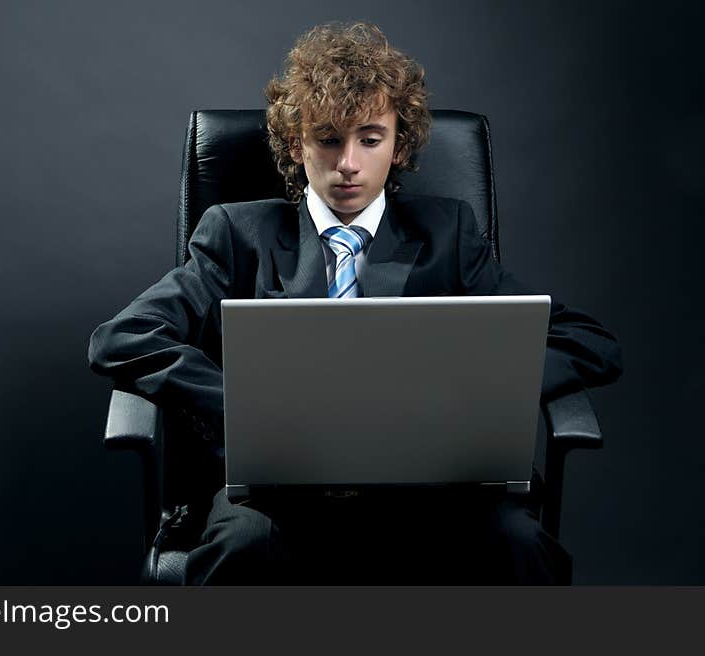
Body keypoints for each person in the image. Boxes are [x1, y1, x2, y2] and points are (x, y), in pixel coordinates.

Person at [88, 22, 622, 585]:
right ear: (297, 144)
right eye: (328, 139)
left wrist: (484, 388)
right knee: (241, 544)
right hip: (280, 496)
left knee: (517, 541)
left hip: (435, 492)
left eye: (370, 139)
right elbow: (122, 338)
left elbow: (589, 342)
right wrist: (245, 403)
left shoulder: (450, 236)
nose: (348, 162)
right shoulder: (236, 234)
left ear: (398, 147)